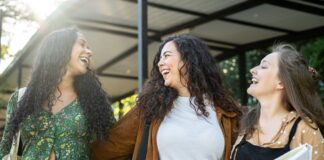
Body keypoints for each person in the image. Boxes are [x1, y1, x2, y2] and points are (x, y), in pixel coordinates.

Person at [91, 35, 241, 160]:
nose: (160, 63)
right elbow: (105, 151)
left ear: (190, 60)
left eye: (166, 56)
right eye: (160, 58)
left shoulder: (227, 112)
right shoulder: (149, 109)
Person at [0, 28, 116, 159]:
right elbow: (5, 148)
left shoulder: (95, 101)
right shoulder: (21, 99)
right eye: (82, 44)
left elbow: (115, 144)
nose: (90, 52)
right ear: (61, 48)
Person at [231, 44, 324, 160]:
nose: (252, 70)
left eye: (263, 66)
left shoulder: (304, 128)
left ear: (281, 83)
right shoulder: (248, 123)